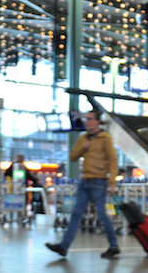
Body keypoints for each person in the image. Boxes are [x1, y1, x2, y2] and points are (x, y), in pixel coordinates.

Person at [45, 109, 120, 259]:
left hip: (99, 181)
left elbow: (112, 160)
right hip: (85, 181)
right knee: (76, 213)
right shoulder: (83, 138)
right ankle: (64, 246)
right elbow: (73, 156)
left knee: (102, 215)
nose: (87, 121)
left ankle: (114, 246)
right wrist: (82, 147)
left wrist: (112, 182)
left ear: (98, 121)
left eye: (91, 119)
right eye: (86, 118)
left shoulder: (105, 138)